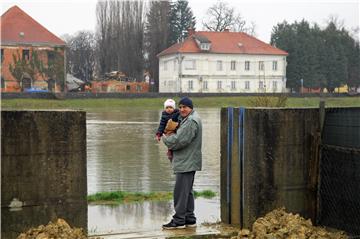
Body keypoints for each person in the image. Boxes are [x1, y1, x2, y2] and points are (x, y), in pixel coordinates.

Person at [161, 97, 202, 229]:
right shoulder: (189, 118)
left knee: (180, 192)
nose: (182, 109)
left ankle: (178, 220)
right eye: (181, 107)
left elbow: (179, 141)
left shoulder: (191, 121)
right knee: (187, 191)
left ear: (191, 108)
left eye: (185, 107)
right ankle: (189, 219)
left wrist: (166, 138)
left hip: (186, 161)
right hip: (188, 161)